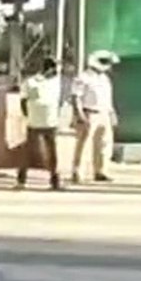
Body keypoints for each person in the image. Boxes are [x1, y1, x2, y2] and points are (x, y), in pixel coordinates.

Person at [70, 49, 119, 183]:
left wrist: (111, 113)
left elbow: (107, 98)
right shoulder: (83, 77)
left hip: (104, 113)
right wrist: (79, 114)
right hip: (89, 112)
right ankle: (77, 172)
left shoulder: (105, 79)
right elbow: (76, 97)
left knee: (104, 144)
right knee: (84, 144)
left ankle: (100, 171)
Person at [16, 57, 64, 190]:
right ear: (49, 68)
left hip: (51, 121)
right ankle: (21, 180)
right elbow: (23, 101)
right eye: (55, 68)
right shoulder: (31, 82)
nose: (57, 71)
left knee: (52, 152)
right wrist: (28, 115)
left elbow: (58, 101)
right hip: (34, 122)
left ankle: (55, 180)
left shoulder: (56, 82)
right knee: (29, 151)